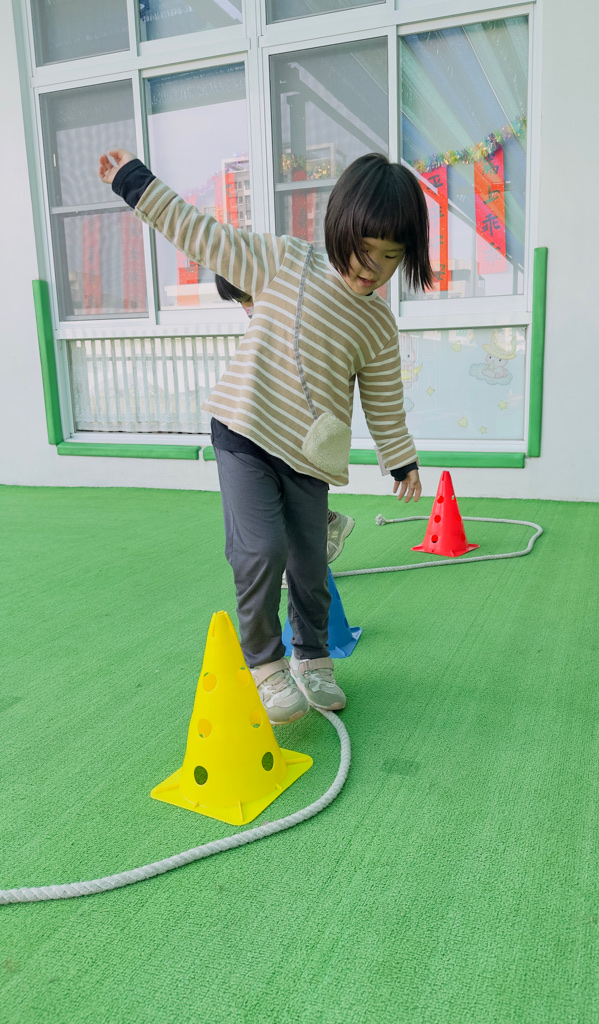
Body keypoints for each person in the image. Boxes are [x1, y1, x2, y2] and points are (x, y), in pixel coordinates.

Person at [99, 148, 431, 725]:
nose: (372, 266)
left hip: (308, 458)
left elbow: (383, 400)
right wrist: (134, 182)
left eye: (391, 256)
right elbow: (202, 235)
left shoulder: (379, 325)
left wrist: (400, 458)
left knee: (309, 565)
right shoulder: (285, 262)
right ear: (340, 226)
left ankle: (313, 658)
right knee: (261, 551)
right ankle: (266, 664)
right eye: (365, 248)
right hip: (245, 432)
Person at [214, 273, 355, 574]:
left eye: (248, 298)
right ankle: (321, 526)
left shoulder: (295, 309)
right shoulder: (266, 322)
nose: (247, 308)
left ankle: (320, 528)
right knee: (264, 503)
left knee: (283, 500)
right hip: (257, 424)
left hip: (294, 425)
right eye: (241, 302)